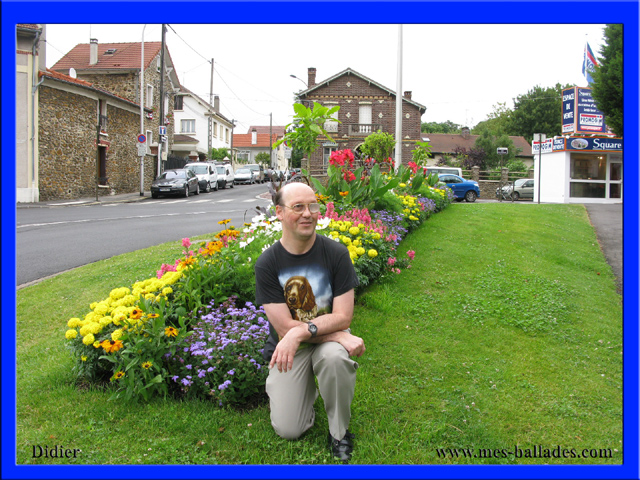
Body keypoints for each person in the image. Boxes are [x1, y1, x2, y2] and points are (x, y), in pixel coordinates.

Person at [254, 183, 366, 462]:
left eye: (312, 206)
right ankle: (305, 392)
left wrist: (305, 331)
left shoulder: (336, 254)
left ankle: (339, 432)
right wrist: (338, 335)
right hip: (291, 346)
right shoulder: (268, 264)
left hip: (314, 340)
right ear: (279, 212)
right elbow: (284, 329)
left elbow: (343, 316)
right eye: (298, 207)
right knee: (290, 429)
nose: (308, 213)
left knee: (334, 359)